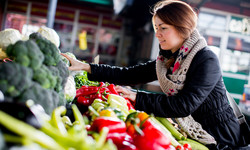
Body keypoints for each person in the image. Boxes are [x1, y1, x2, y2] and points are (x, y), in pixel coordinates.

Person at [61, 0, 249, 149]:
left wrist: (137, 97)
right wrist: (87, 68)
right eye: (156, 27)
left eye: (163, 28)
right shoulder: (168, 60)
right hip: (191, 134)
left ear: (182, 27)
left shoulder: (206, 60)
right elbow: (129, 75)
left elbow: (183, 105)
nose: (157, 34)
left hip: (221, 139)